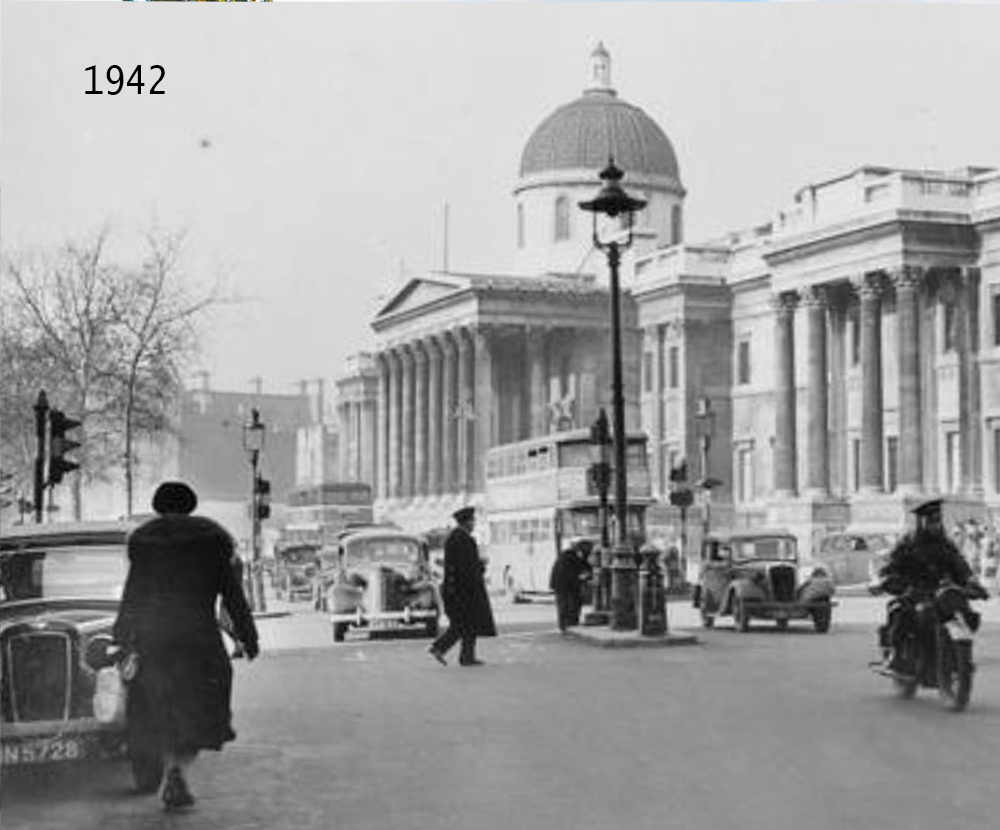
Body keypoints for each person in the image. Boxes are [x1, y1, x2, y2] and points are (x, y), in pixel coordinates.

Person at [113, 481, 259, 811]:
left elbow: (133, 593)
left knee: (157, 704)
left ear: (157, 505)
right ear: (191, 504)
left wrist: (120, 635)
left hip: (154, 637)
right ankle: (179, 767)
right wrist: (249, 636)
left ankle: (168, 765)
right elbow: (232, 595)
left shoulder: (144, 539)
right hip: (198, 636)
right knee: (204, 697)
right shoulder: (212, 537)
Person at [876, 497, 984, 675]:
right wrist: (888, 578)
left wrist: (972, 583)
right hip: (915, 590)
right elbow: (893, 564)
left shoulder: (945, 545)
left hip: (941, 592)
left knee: (965, 613)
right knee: (900, 613)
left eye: (937, 519)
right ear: (921, 521)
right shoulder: (909, 542)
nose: (935, 524)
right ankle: (896, 656)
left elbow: (959, 565)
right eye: (930, 520)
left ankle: (961, 659)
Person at [428, 506, 496, 666]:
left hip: (458, 590)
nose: (474, 524)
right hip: (464, 591)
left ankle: (466, 656)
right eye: (472, 521)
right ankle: (440, 648)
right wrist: (481, 565)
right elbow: (467, 567)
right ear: (466, 522)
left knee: (468, 624)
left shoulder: (455, 537)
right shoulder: (464, 539)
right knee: (463, 624)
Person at [549, 542, 590, 631]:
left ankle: (564, 625)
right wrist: (582, 578)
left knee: (564, 605)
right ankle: (568, 624)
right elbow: (573, 574)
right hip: (564, 585)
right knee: (568, 604)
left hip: (560, 584)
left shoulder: (568, 556)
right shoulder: (571, 558)